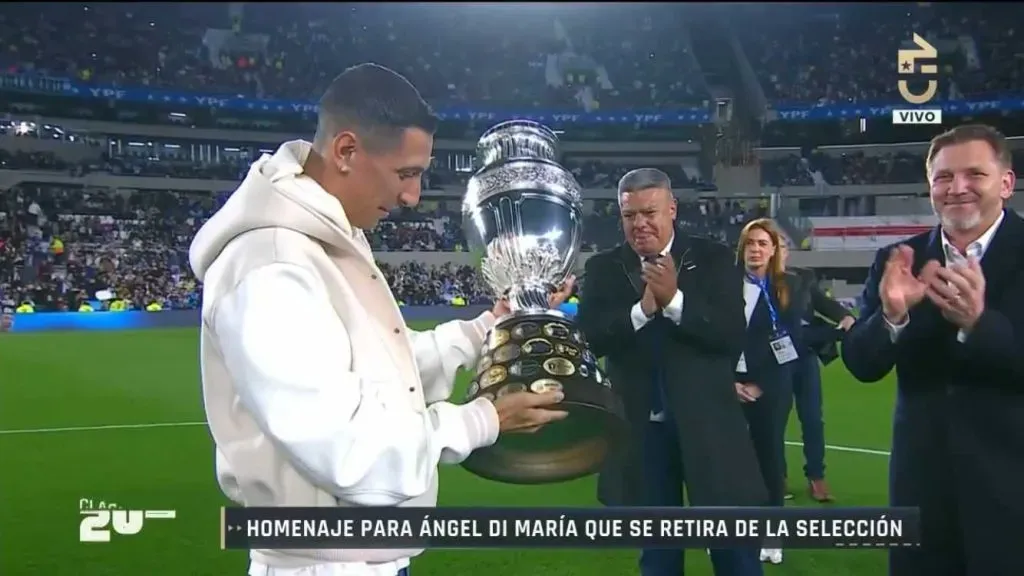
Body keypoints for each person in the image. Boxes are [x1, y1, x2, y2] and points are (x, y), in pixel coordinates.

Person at [188, 63, 572, 576]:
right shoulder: (271, 263)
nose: (412, 196)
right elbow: (345, 446)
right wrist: (484, 419)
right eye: (405, 173)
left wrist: (487, 329)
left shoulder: (325, 238)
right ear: (346, 151)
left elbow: (381, 372)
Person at [841, 124, 1024, 576]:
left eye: (974, 175)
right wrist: (892, 316)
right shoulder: (899, 258)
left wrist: (979, 325)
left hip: (1011, 495)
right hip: (919, 496)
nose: (957, 188)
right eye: (943, 178)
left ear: (1006, 182)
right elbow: (862, 364)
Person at [577, 168, 767, 576]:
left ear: (672, 209)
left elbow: (731, 334)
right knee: (658, 555)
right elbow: (592, 339)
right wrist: (642, 311)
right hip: (643, 434)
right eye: (630, 216)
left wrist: (675, 302)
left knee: (734, 549)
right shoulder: (604, 268)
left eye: (650, 212)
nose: (640, 224)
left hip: (709, 427)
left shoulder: (714, 258)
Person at [733, 219, 802, 566]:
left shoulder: (789, 287)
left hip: (770, 388)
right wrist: (729, 383)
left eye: (762, 243)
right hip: (728, 385)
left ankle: (771, 533)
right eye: (750, 243)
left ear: (774, 249)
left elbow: (793, 343)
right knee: (726, 461)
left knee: (769, 459)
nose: (755, 249)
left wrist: (760, 385)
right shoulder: (725, 285)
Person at [778, 243, 855, 503]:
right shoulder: (755, 281)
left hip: (805, 356)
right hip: (773, 360)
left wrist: (844, 316)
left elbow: (825, 304)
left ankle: (816, 477)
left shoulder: (803, 278)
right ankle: (778, 476)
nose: (778, 251)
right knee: (774, 421)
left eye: (782, 246)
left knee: (812, 418)